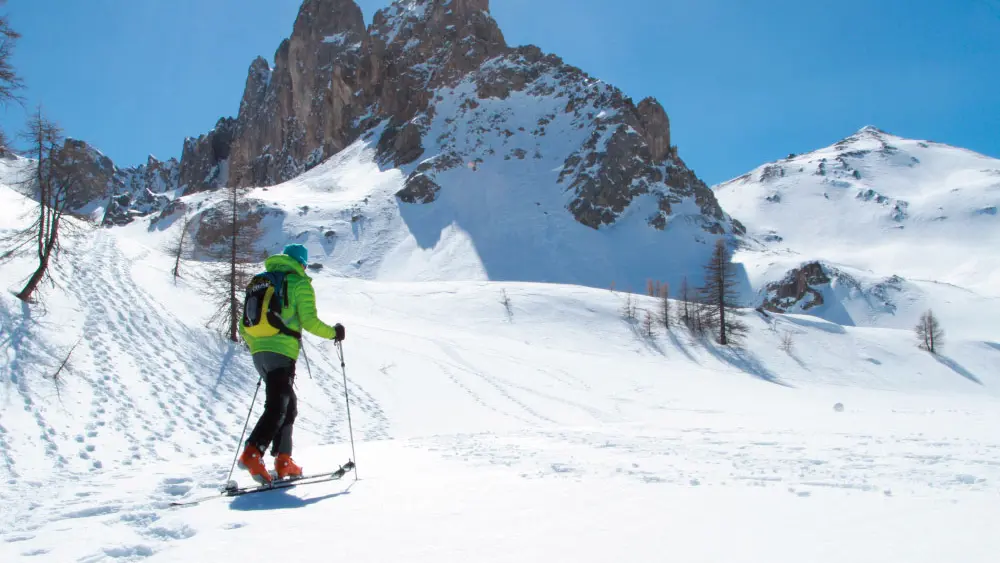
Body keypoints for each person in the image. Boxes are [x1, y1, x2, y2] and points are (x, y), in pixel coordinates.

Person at [237, 243, 345, 484]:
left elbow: (243, 324)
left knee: (288, 405)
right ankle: (253, 452)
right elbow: (309, 321)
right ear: (302, 264)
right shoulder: (298, 283)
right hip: (281, 352)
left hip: (259, 352)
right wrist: (334, 333)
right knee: (278, 406)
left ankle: (284, 460)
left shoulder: (262, 281)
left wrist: (259, 343)